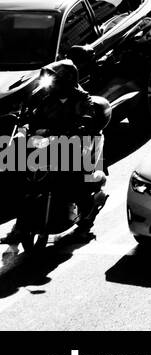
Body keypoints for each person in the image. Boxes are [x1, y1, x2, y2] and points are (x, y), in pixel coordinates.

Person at [4, 59, 110, 243]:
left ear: (66, 81)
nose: (52, 85)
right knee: (26, 180)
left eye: (55, 80)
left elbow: (86, 119)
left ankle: (86, 219)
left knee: (76, 181)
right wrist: (24, 129)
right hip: (49, 146)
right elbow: (34, 119)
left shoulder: (83, 99)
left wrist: (74, 128)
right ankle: (19, 227)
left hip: (76, 146)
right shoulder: (46, 99)